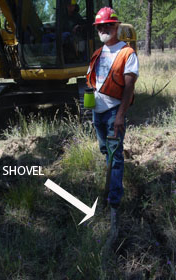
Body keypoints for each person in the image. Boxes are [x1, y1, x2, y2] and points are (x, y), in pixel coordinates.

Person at [86, 7, 139, 241]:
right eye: (100, 26)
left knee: (115, 157)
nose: (104, 29)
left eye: (108, 25)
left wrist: (120, 116)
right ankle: (109, 188)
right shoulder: (98, 53)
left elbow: (129, 87)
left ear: (116, 27)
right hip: (97, 112)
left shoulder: (127, 53)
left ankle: (114, 202)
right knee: (105, 151)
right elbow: (93, 82)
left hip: (113, 113)